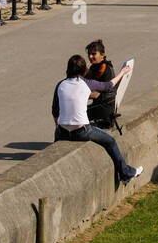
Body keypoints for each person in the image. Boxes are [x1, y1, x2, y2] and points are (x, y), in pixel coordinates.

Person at [54, 55, 144, 183]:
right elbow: (109, 85)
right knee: (111, 141)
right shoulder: (86, 83)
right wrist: (122, 72)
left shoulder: (60, 84)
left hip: (62, 132)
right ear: (83, 70)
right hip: (82, 131)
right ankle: (126, 173)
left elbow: (55, 110)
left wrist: (60, 127)